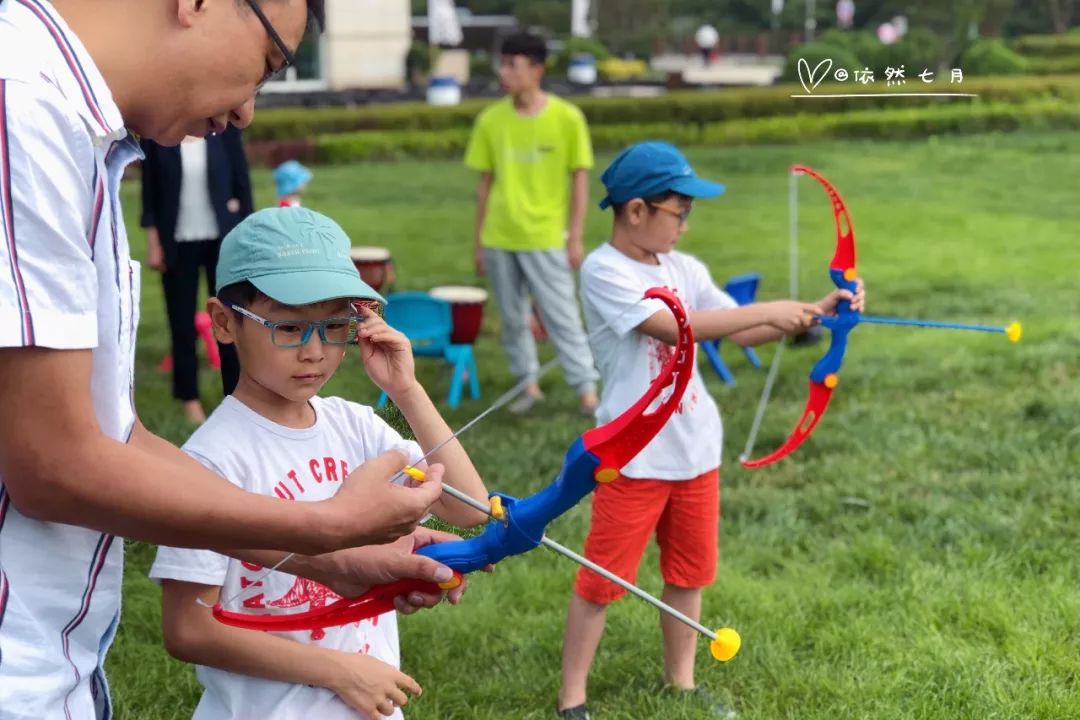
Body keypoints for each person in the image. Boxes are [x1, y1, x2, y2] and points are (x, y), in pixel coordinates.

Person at [0, 2, 458, 717]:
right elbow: (50, 465)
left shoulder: (62, 121)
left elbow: (109, 439)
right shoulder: (20, 106)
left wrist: (334, 563)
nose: (247, 110)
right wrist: (328, 528)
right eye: (270, 62)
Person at [557, 141, 866, 719]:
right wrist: (771, 308)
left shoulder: (684, 268)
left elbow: (740, 333)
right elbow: (676, 328)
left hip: (694, 448)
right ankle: (572, 698)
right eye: (680, 210)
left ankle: (682, 683)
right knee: (603, 579)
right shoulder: (603, 270)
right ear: (636, 211)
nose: (686, 225)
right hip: (633, 456)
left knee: (689, 573)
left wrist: (816, 312)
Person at [149, 207, 489, 720]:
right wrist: (338, 670)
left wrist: (406, 390)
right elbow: (188, 629)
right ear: (224, 322)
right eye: (289, 328)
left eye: (334, 327)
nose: (315, 352)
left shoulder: (356, 426)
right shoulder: (209, 460)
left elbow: (469, 508)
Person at [465, 31, 600, 416]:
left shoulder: (567, 119)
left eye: (513, 65)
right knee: (512, 319)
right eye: (502, 64)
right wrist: (477, 243)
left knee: (562, 316)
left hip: (545, 237)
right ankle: (528, 384)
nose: (504, 72)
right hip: (499, 236)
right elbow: (483, 188)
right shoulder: (490, 121)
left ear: (537, 69)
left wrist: (575, 236)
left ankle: (587, 392)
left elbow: (579, 179)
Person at [140, 126, 253, 419]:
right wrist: (154, 244)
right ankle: (189, 397)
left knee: (230, 321)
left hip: (222, 243)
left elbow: (243, 186)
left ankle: (236, 396)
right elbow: (149, 195)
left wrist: (246, 239)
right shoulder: (159, 133)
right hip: (176, 244)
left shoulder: (224, 132)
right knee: (181, 323)